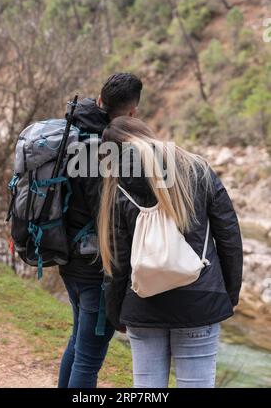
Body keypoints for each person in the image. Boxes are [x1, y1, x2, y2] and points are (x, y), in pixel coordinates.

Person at [98, 116, 243, 389]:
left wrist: (116, 312)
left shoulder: (116, 185)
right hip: (201, 301)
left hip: (142, 303)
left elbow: (116, 260)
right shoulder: (197, 168)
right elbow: (229, 237)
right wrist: (229, 294)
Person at [58, 73, 143, 388]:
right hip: (93, 266)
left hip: (67, 254)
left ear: (99, 98)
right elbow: (108, 219)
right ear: (131, 113)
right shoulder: (103, 148)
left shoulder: (74, 125)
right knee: (89, 358)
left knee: (78, 343)